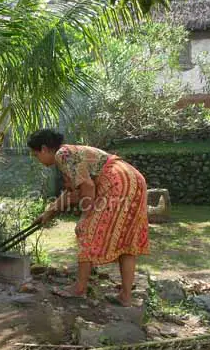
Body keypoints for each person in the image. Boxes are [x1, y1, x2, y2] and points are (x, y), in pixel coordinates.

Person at [28, 129, 149, 306]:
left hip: (116, 182)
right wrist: (49, 212)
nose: (37, 159)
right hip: (133, 179)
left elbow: (87, 186)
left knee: (85, 230)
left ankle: (79, 289)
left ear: (45, 149)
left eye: (36, 154)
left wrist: (86, 216)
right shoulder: (70, 154)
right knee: (127, 241)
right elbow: (72, 193)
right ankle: (126, 296)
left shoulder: (62, 155)